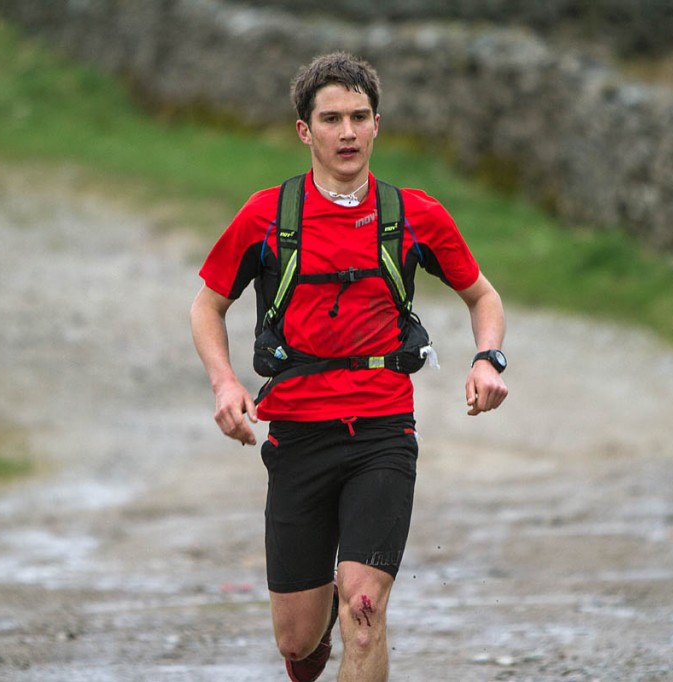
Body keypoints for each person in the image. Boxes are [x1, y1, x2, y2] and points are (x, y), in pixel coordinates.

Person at [190, 51, 508, 682]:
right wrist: (225, 382)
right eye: (331, 119)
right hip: (297, 434)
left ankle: (351, 605)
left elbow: (483, 297)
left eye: (360, 117)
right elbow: (208, 304)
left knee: (364, 609)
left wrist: (486, 359)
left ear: (377, 124)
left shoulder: (414, 213)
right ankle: (314, 639)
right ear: (304, 131)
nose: (347, 133)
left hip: (383, 432)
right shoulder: (267, 215)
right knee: (297, 639)